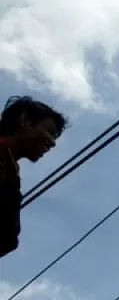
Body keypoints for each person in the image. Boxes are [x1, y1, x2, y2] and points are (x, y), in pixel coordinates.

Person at [0, 96, 68, 259]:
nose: (52, 143)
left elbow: (8, 240)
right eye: (49, 132)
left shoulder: (11, 179)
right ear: (25, 121)